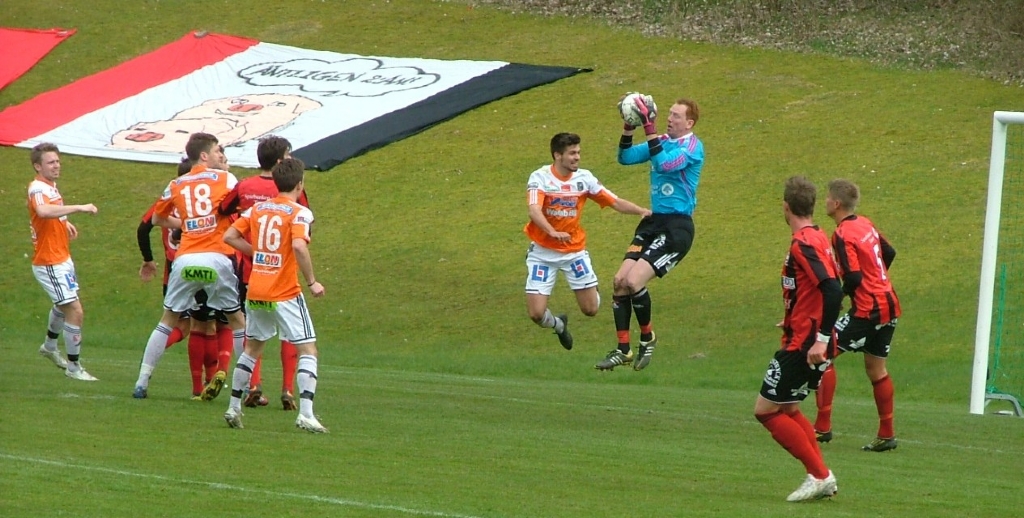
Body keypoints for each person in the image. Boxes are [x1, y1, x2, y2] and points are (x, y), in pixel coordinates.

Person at [133, 133, 245, 400]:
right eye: (216, 151)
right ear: (204, 156)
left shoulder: (176, 184)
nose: (220, 155)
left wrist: (186, 224)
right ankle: (245, 387)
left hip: (185, 260)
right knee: (237, 322)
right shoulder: (226, 178)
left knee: (168, 320)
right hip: (218, 257)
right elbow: (239, 208)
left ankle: (141, 382)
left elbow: (157, 219)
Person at [596, 96, 705, 371]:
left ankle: (648, 337)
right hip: (653, 222)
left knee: (634, 282)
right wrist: (629, 127)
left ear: (689, 123)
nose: (669, 118)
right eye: (669, 114)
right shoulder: (663, 141)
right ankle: (623, 349)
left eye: (676, 116)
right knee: (619, 281)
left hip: (677, 227)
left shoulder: (693, 147)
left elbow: (666, 164)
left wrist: (649, 127)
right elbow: (625, 158)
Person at [221, 157, 328, 433]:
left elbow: (229, 236)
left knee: (252, 349)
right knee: (308, 349)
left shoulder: (257, 209)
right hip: (284, 291)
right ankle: (306, 413)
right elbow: (299, 246)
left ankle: (233, 407)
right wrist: (312, 282)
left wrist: (256, 254)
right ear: (300, 184)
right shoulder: (300, 212)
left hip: (257, 289)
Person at [755, 176, 842, 502]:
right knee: (789, 408)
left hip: (805, 344)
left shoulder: (803, 243)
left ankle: (818, 474)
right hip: (805, 334)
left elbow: (833, 290)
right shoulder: (818, 236)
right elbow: (817, 289)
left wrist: (820, 338)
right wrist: (794, 317)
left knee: (766, 410)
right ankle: (822, 475)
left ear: (786, 207)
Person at [524, 132, 651, 350]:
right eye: (572, 153)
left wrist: (641, 211)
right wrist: (552, 232)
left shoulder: (584, 179)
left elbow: (614, 201)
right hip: (542, 253)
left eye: (578, 152)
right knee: (536, 314)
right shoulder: (540, 177)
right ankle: (559, 325)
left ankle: (591, 287)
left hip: (573, 252)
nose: (577, 157)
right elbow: (534, 210)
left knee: (591, 310)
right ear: (557, 155)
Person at [814, 179, 901, 452]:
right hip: (890, 304)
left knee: (823, 353)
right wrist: (876, 279)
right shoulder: (865, 223)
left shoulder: (842, 234)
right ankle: (886, 435)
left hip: (867, 310)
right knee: (876, 369)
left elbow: (852, 276)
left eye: (827, 198)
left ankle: (822, 428)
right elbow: (889, 252)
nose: (825, 201)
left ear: (836, 203)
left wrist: (839, 297)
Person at [27, 142, 100, 381]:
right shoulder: (38, 188)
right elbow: (43, 211)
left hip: (61, 257)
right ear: (38, 166)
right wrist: (79, 207)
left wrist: (65, 223)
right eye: (50, 162)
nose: (56, 165)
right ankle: (73, 367)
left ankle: (49, 347)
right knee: (75, 311)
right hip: (49, 260)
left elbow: (50, 213)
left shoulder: (51, 187)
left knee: (62, 306)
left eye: (57, 161)